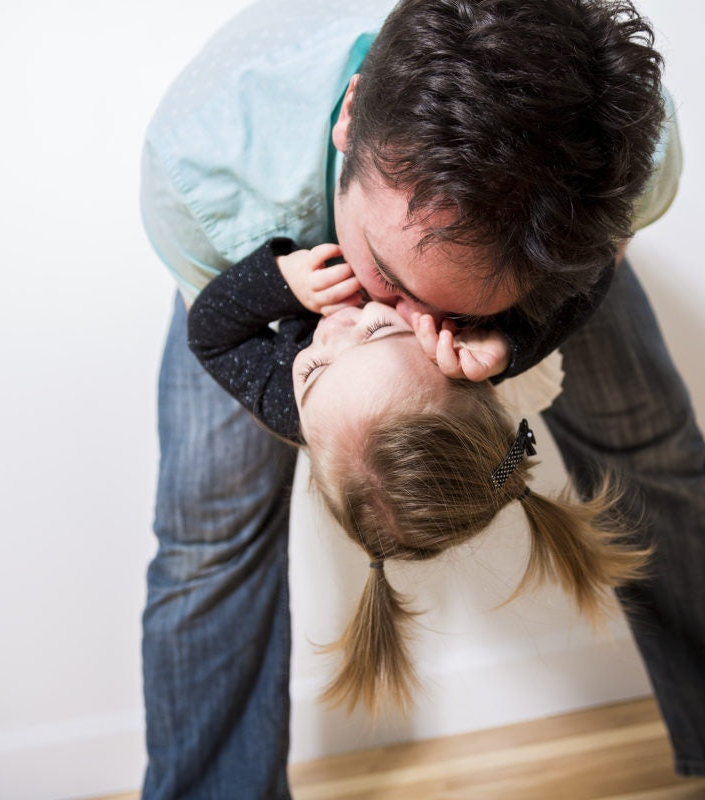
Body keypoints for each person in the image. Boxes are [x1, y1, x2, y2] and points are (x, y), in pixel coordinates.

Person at [139, 0, 705, 797]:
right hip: (252, 264)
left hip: (534, 279)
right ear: (351, 119)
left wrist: (514, 340)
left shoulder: (613, 147)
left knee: (651, 449)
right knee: (209, 534)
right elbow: (221, 337)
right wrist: (341, 403)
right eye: (392, 280)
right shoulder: (201, 171)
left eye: (458, 309)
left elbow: (575, 289)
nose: (418, 326)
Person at [185, 236, 647, 714]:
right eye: (375, 330)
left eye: (314, 369)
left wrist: (284, 281)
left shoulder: (295, 410)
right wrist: (510, 343)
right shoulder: (467, 314)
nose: (335, 329)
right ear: (451, 356)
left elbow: (209, 334)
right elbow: (595, 261)